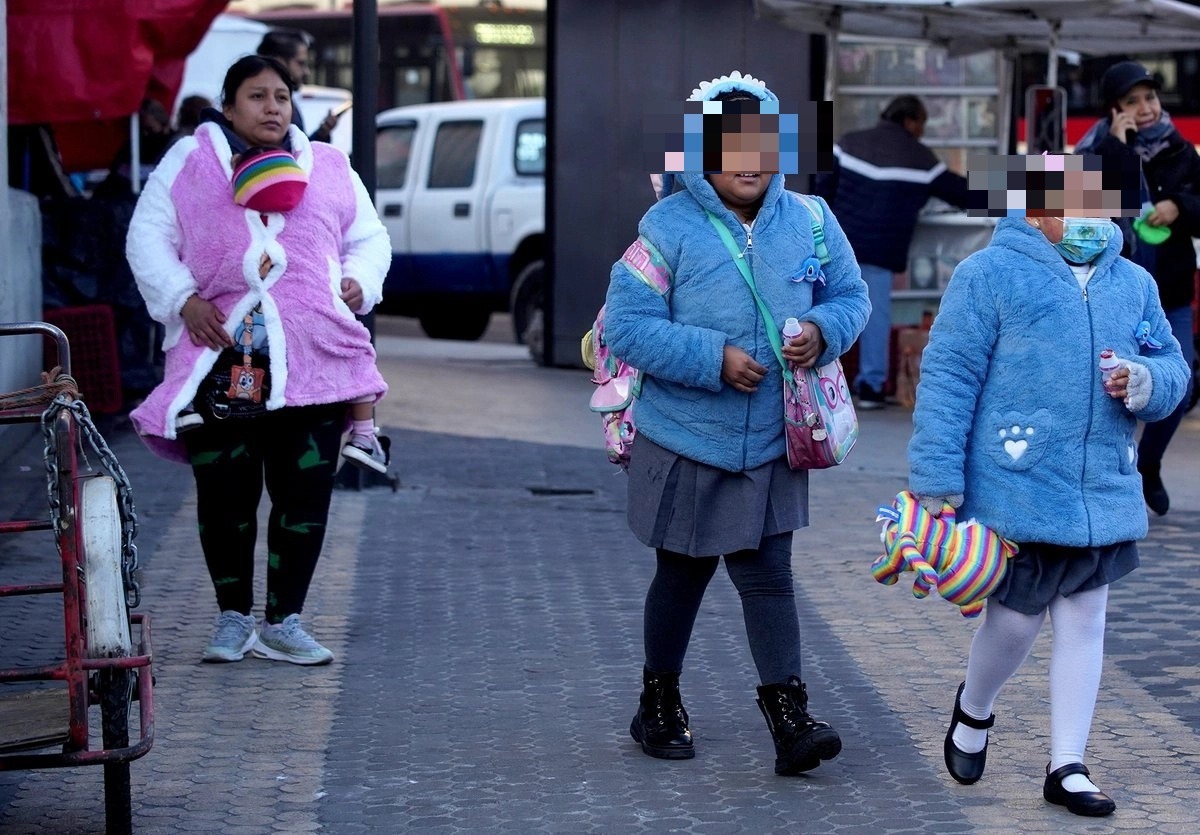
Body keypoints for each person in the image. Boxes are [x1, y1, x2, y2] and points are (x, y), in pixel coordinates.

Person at [603, 71, 870, 774]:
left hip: (773, 438)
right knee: (682, 573)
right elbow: (626, 327)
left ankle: (789, 717)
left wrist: (821, 329)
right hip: (687, 435)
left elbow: (851, 296)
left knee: (770, 574)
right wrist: (710, 358)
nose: (747, 161)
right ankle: (656, 701)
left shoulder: (811, 218)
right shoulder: (665, 227)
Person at [908, 161, 1189, 816]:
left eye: (1101, 207)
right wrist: (936, 478)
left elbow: (1175, 365)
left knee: (1087, 619)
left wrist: (1144, 381)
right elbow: (948, 376)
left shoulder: (1135, 284)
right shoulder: (989, 275)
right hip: (1019, 487)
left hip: (1101, 489)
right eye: (1077, 206)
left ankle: (1067, 762)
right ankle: (974, 709)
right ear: (1034, 212)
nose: (1095, 220)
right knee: (1014, 621)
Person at [125, 55, 392, 665]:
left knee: (304, 499)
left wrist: (358, 280)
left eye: (281, 95)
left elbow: (368, 237)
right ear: (228, 106)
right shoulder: (189, 164)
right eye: (256, 96)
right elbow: (147, 238)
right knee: (225, 498)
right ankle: (231, 619)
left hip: (315, 365)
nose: (272, 107)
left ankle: (284, 622)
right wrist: (181, 299)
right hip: (219, 366)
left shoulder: (328, 164)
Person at [1074, 60, 1200, 515]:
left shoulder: (1182, 152)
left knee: (1181, 388)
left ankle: (1149, 462)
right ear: (1114, 110)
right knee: (1109, 388)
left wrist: (1179, 206)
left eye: (1150, 97)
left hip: (1170, 290)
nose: (1145, 108)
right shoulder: (1098, 150)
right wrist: (1118, 144)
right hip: (1119, 292)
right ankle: (1109, 477)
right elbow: (1091, 207)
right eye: (1132, 102)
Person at [815, 95, 969, 409]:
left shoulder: (848, 142)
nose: (922, 130)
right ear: (910, 121)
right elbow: (963, 192)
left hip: (835, 243)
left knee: (821, 309)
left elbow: (822, 187)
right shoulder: (919, 158)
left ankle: (817, 385)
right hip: (879, 250)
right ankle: (870, 387)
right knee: (872, 316)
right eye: (923, 123)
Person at [256, 29, 341, 143]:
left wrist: (323, 132)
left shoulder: (289, 102)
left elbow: (298, 152)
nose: (306, 72)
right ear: (279, 61)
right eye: (301, 63)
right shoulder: (267, 107)